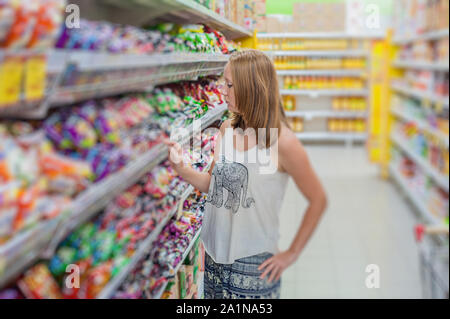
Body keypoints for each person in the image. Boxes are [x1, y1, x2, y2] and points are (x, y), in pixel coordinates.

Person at [164, 49, 327, 299]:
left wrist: (291, 254)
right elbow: (214, 185)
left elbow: (318, 200)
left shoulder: (281, 141)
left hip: (254, 263)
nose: (223, 91)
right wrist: (182, 169)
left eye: (229, 85)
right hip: (215, 256)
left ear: (252, 88)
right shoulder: (227, 129)